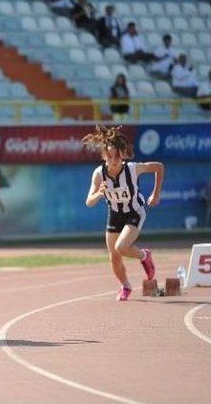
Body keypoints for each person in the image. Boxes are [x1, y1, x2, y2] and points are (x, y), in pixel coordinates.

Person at [83, 126, 164, 301]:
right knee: (114, 257)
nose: (113, 160)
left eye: (117, 156)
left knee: (121, 247)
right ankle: (126, 286)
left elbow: (159, 167)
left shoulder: (133, 169)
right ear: (104, 156)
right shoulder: (99, 174)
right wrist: (100, 193)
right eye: (109, 156)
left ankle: (144, 255)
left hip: (134, 211)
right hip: (114, 214)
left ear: (123, 154)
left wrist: (156, 194)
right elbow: (89, 201)